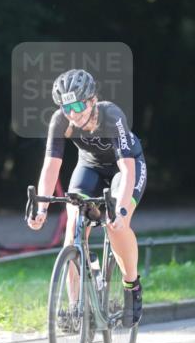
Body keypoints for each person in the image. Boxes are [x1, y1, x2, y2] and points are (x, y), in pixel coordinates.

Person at [27, 68, 147, 327]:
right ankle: (76, 310)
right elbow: (51, 166)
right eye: (66, 107)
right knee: (71, 233)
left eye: (79, 105)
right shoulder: (60, 121)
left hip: (124, 168)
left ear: (92, 100)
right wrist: (42, 209)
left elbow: (127, 169)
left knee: (116, 226)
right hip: (89, 168)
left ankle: (131, 285)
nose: (73, 113)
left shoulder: (112, 115)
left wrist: (122, 210)